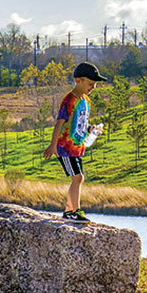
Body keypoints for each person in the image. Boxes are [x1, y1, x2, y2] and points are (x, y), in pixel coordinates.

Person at [43, 62, 107, 222]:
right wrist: (52, 145)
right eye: (90, 84)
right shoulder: (69, 100)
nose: (93, 87)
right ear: (78, 80)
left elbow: (80, 122)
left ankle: (69, 210)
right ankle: (73, 211)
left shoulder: (86, 101)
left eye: (94, 84)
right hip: (65, 147)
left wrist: (92, 130)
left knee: (79, 178)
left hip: (77, 147)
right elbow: (60, 122)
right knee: (77, 178)